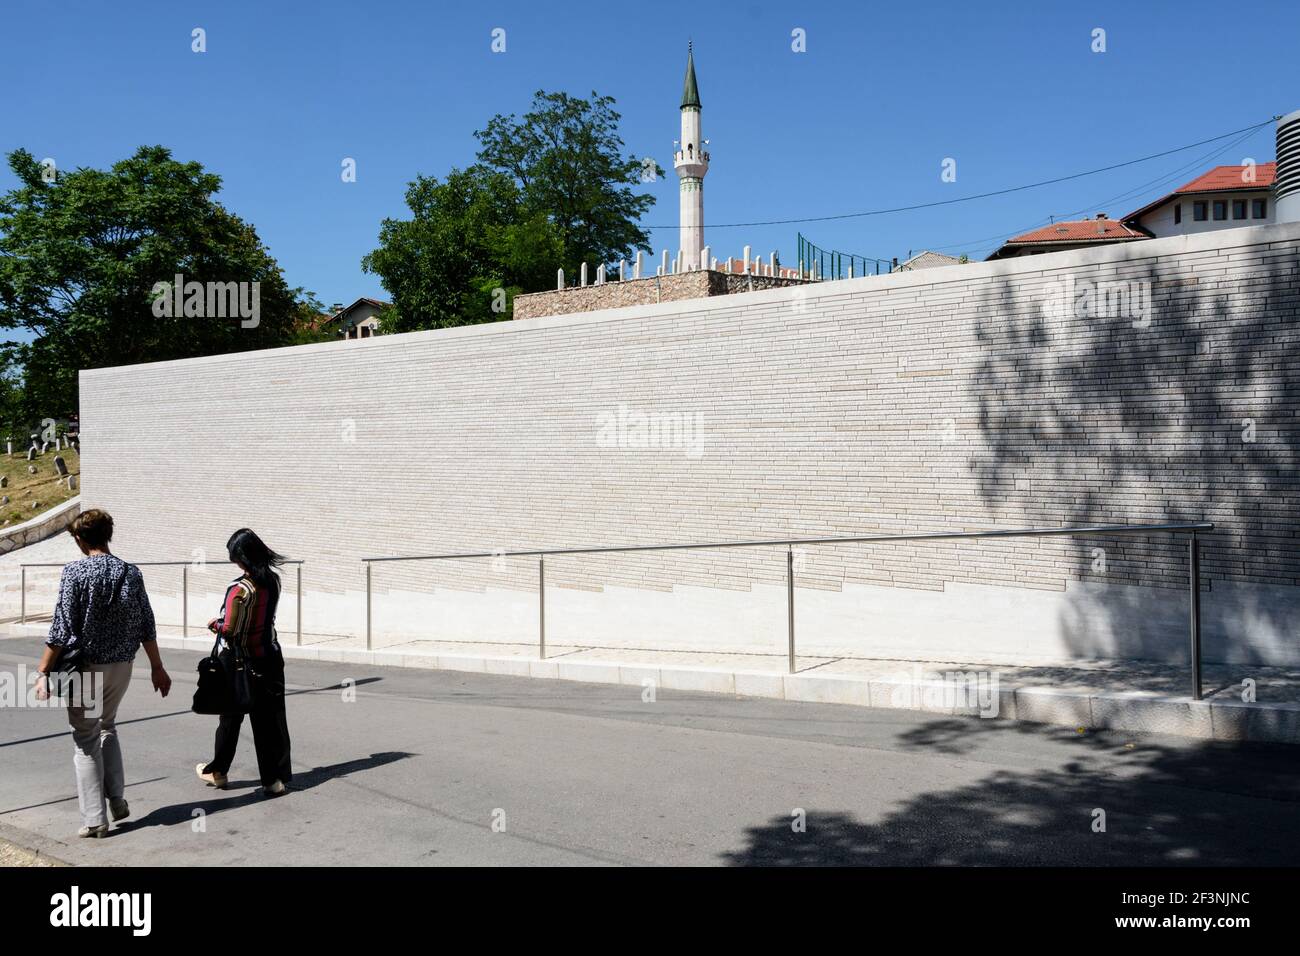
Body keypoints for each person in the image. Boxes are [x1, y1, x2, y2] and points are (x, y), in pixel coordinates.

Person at [35, 509, 172, 838]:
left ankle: (95, 818)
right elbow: (146, 624)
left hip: (87, 669)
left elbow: (62, 629)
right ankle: (118, 798)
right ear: (107, 535)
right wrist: (157, 666)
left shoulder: (75, 573)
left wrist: (43, 672)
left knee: (85, 739)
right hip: (122, 667)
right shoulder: (131, 572)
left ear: (81, 539)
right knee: (107, 726)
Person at [196, 528, 292, 797]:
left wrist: (213, 624)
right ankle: (273, 780)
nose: (233, 562)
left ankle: (219, 771)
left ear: (244, 557)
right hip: (270, 657)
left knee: (231, 718)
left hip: (239, 663)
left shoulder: (239, 589)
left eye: (235, 557)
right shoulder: (272, 581)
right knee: (269, 721)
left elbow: (229, 629)